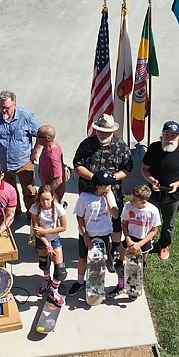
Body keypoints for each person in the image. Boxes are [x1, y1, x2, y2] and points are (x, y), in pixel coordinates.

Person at [73, 113, 133, 269]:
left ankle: (114, 249)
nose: (103, 134)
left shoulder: (121, 147)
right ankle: (86, 244)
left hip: (113, 191)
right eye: (100, 131)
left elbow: (127, 168)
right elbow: (77, 164)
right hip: (89, 191)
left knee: (114, 220)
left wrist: (112, 178)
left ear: (112, 131)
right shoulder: (86, 145)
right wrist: (94, 178)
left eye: (106, 132)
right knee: (88, 218)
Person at [140, 120, 179, 261]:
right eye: (167, 134)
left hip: (173, 196)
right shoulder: (154, 148)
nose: (170, 138)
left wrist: (177, 184)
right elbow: (145, 169)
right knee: (148, 219)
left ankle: (164, 245)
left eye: (173, 135)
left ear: (178, 136)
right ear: (162, 134)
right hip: (152, 193)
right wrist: (152, 180)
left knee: (168, 223)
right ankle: (146, 242)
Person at [0, 90, 41, 215]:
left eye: (7, 108)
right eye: (1, 107)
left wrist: (36, 151)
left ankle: (32, 214)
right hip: (2, 164)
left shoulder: (26, 117)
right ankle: (15, 212)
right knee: (9, 191)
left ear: (14, 105)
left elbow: (41, 134)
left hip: (24, 162)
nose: (4, 111)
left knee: (29, 191)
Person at [69, 169, 120, 296]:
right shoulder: (85, 197)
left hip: (103, 234)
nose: (110, 186)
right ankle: (80, 282)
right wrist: (85, 236)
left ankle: (97, 282)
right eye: (107, 184)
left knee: (100, 260)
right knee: (83, 259)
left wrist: (108, 197)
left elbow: (115, 215)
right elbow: (79, 217)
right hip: (87, 234)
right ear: (98, 186)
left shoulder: (110, 195)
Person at [29, 185, 67, 306]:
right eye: (42, 200)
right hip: (42, 241)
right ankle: (47, 281)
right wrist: (46, 243)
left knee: (60, 270)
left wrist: (45, 232)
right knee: (44, 264)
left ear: (53, 198)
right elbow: (36, 230)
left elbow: (63, 227)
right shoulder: (35, 208)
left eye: (47, 199)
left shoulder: (58, 208)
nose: (45, 202)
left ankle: (53, 291)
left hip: (55, 240)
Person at [119, 184, 161, 295]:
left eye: (134, 200)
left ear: (143, 201)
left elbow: (154, 230)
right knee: (122, 263)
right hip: (130, 238)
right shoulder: (128, 206)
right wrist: (127, 239)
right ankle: (120, 285)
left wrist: (140, 244)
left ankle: (135, 286)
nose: (131, 201)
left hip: (144, 240)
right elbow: (124, 223)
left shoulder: (153, 211)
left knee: (139, 266)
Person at [35, 124, 69, 203]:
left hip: (53, 194)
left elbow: (58, 180)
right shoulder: (51, 146)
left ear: (47, 139)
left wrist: (46, 193)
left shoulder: (52, 157)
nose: (36, 138)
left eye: (38, 136)